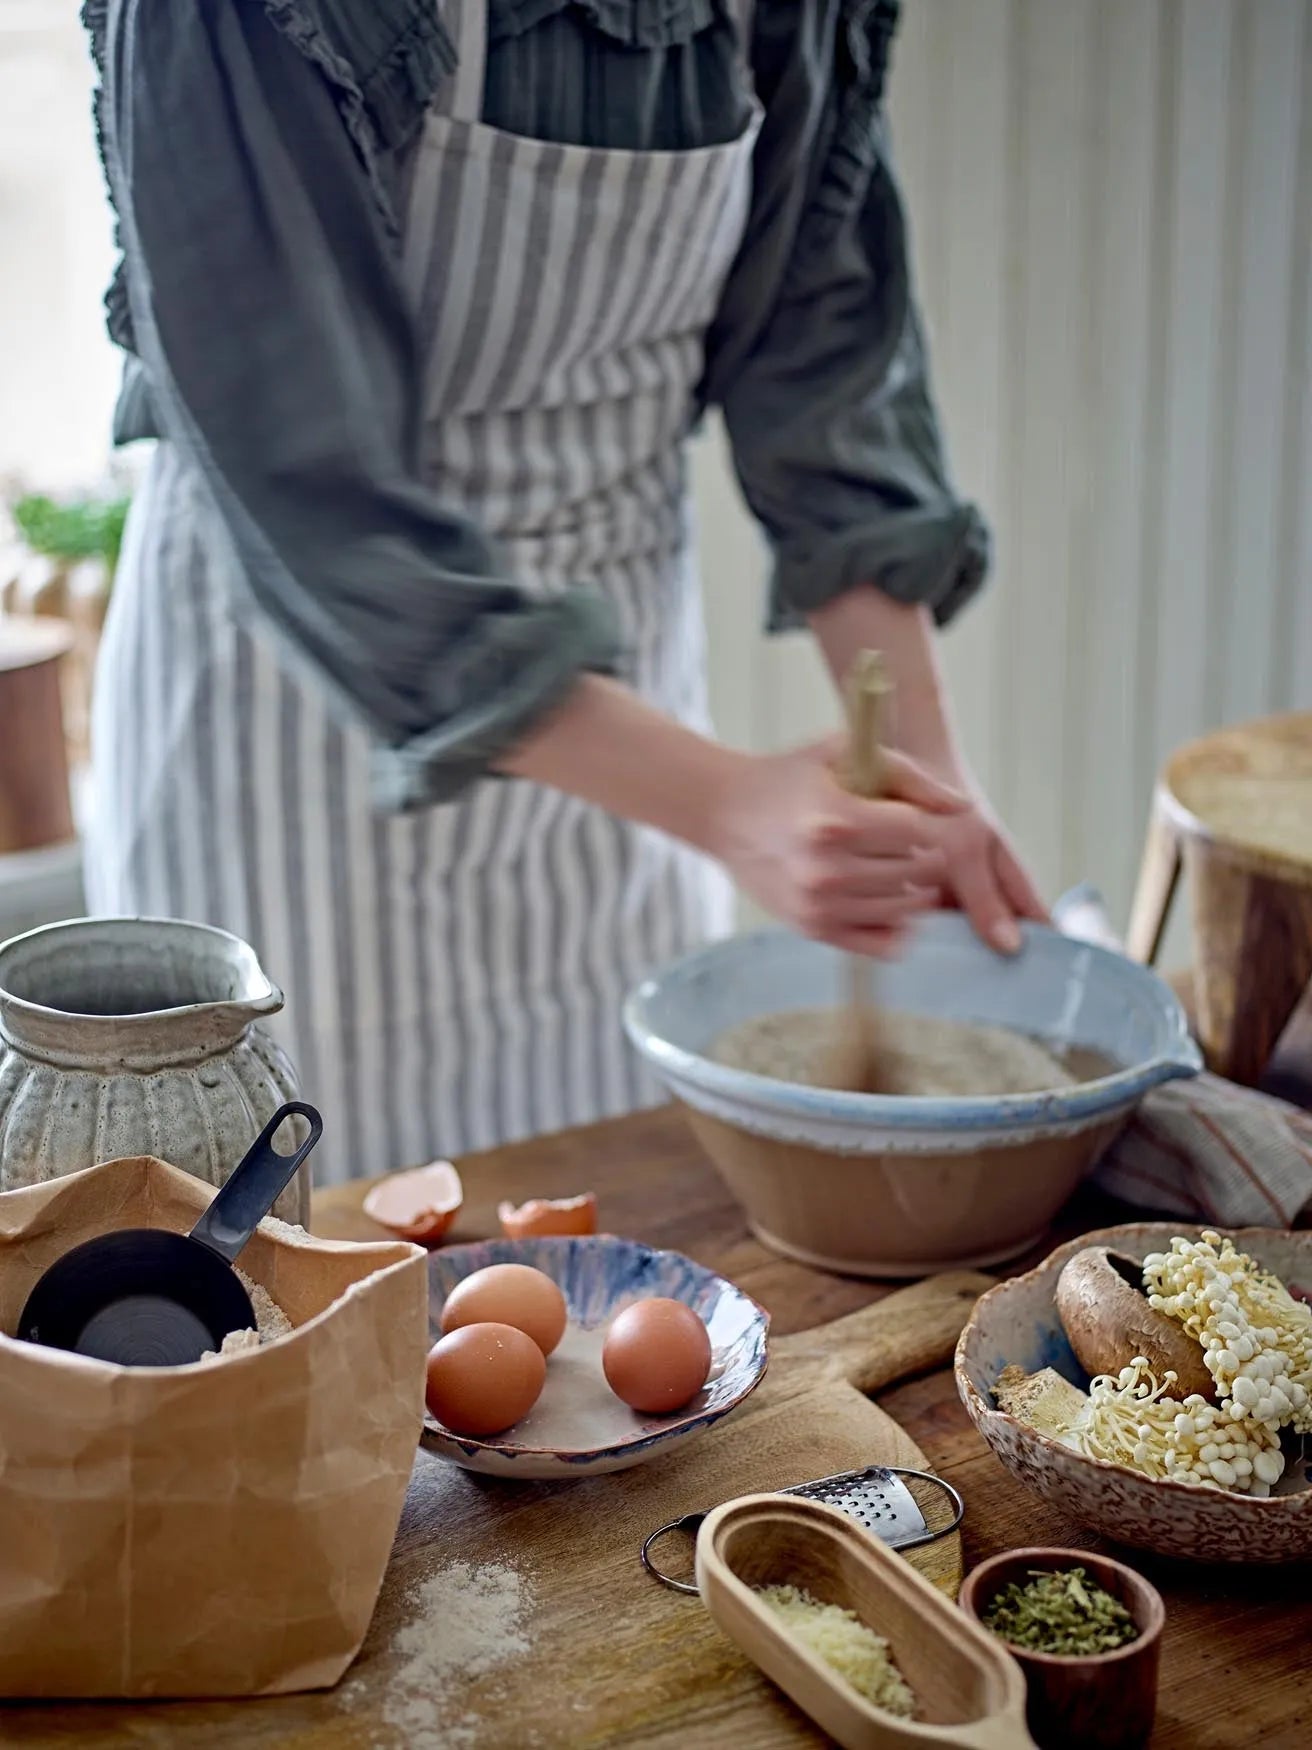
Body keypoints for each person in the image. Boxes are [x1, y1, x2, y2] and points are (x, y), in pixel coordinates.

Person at [83, 0, 1045, 1183]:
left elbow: (826, 347)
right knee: (302, 1268)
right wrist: (729, 801)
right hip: (295, 702)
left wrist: (924, 771)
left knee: (618, 1242)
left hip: (623, 752)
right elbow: (305, 473)